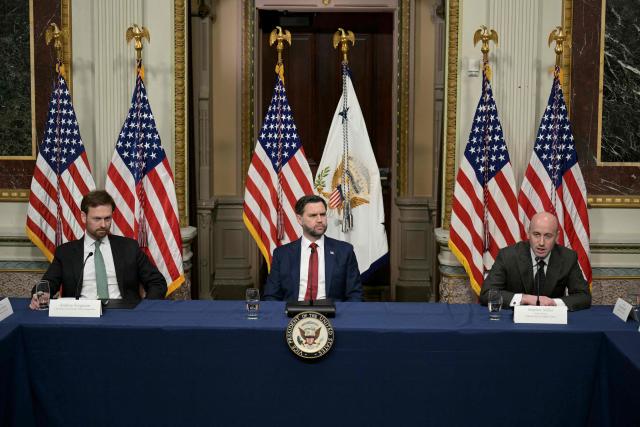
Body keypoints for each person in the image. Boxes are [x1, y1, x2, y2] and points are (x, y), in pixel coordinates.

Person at [29, 190, 167, 309]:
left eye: (107, 218)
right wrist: (41, 294)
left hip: (124, 313)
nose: (103, 224)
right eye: (97, 219)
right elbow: (47, 284)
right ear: (83, 217)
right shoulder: (66, 252)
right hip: (80, 315)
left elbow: (157, 283)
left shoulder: (129, 247)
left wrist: (145, 309)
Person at [479, 211, 591, 311]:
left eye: (548, 236)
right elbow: (486, 293)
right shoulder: (508, 256)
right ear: (528, 233)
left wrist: (553, 303)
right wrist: (525, 298)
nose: (541, 243)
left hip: (552, 324)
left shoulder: (568, 257)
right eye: (536, 234)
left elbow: (583, 296)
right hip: (515, 324)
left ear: (557, 236)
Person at [263, 195, 363, 302]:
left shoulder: (344, 251)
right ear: (300, 219)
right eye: (313, 215)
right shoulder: (282, 254)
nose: (320, 220)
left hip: (332, 314)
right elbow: (271, 296)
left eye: (323, 214)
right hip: (293, 314)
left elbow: (355, 295)